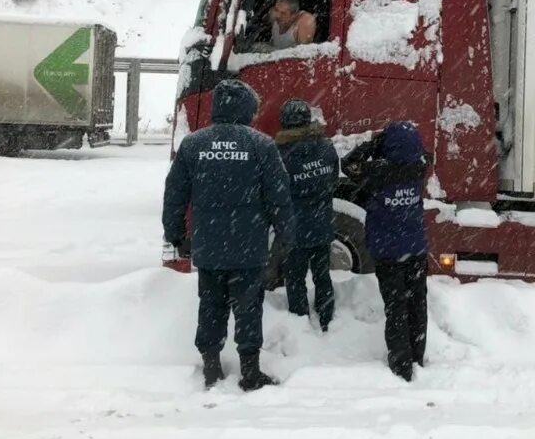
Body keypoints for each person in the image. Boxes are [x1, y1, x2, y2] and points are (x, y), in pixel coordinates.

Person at [162, 78, 295, 391]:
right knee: (248, 308)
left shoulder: (193, 144)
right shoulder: (261, 144)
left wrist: (176, 234)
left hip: (208, 245)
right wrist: (286, 235)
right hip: (249, 245)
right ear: (248, 108)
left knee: (210, 305)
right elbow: (279, 196)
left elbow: (175, 194)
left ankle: (211, 368)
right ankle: (250, 371)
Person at [343, 122, 430, 381]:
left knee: (396, 307)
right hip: (415, 248)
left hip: (388, 251)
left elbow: (348, 164)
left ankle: (401, 364)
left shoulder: (377, 171)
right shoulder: (421, 166)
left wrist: (373, 144)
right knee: (417, 303)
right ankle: (417, 355)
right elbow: (420, 152)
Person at [275, 99, 340, 331]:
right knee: (322, 276)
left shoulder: (280, 154)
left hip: (295, 229)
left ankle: (300, 320)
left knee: (295, 278)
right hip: (322, 224)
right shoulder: (325, 146)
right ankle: (326, 318)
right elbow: (333, 180)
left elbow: (278, 191)